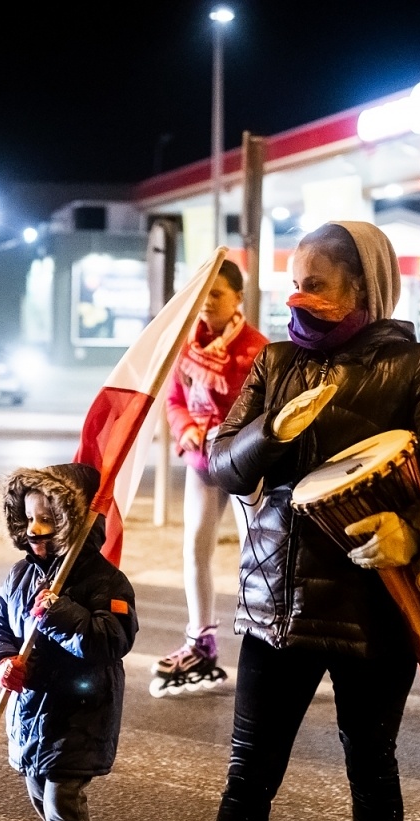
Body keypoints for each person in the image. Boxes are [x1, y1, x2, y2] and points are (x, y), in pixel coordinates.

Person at [139, 222, 420, 821]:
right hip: (275, 601)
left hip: (376, 604)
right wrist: (270, 430)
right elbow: (223, 463)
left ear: (362, 288)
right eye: (293, 278)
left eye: (318, 282)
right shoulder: (275, 360)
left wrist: (414, 528)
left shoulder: (413, 365)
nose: (298, 294)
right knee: (247, 780)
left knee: (371, 767)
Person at [0, 462, 138, 821]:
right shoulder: (21, 574)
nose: (36, 529)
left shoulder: (107, 583)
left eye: (48, 518)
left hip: (81, 712)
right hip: (32, 712)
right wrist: (1, 659)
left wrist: (61, 613)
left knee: (61, 795)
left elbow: (111, 641)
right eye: (28, 518)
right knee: (37, 790)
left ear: (77, 520)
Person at [153, 259, 269, 697]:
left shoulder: (256, 349)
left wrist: (224, 434)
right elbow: (176, 398)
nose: (206, 305)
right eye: (201, 296)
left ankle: (264, 641)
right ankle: (201, 641)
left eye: (216, 295)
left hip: (243, 466)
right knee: (195, 547)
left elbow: (261, 413)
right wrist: (187, 430)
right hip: (201, 462)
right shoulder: (187, 346)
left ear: (238, 297)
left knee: (256, 554)